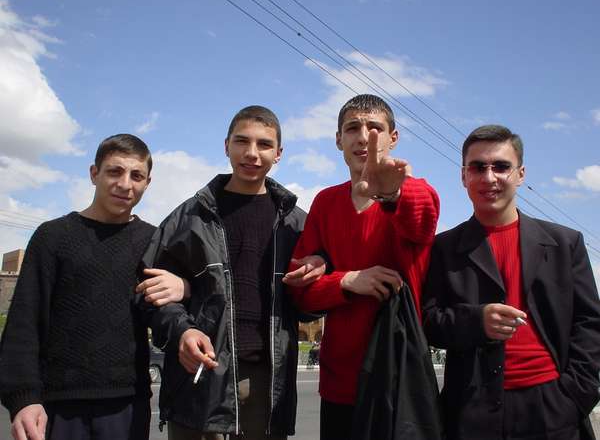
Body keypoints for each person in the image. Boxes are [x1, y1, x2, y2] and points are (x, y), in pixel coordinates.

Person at [136, 105, 325, 440]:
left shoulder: (299, 225)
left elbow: (310, 307)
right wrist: (181, 332)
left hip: (268, 387)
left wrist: (321, 273)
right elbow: (150, 295)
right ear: (226, 146)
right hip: (200, 383)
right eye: (242, 141)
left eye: (264, 144)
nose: (252, 153)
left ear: (278, 154)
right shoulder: (188, 219)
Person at [0, 134, 189, 440]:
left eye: (136, 176)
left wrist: (185, 286)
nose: (125, 184)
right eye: (115, 171)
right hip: (57, 405)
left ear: (147, 183)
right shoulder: (53, 237)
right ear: (94, 173)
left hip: (126, 404)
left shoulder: (153, 242)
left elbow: (167, 307)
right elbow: (24, 323)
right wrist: (24, 398)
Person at [422, 124, 600, 440]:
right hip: (471, 412)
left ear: (520, 174)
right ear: (464, 176)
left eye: (501, 166)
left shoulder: (565, 243)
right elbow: (428, 322)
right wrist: (476, 321)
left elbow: (589, 324)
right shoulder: (442, 248)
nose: (489, 177)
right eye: (478, 167)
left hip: (552, 406)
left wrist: (574, 396)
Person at [287, 94, 440, 440]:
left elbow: (423, 219)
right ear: (338, 139)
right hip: (339, 382)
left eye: (375, 127)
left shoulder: (413, 189)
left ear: (393, 138)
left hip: (399, 378)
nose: (364, 136)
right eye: (352, 127)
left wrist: (393, 195)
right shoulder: (325, 202)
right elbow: (301, 294)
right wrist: (347, 281)